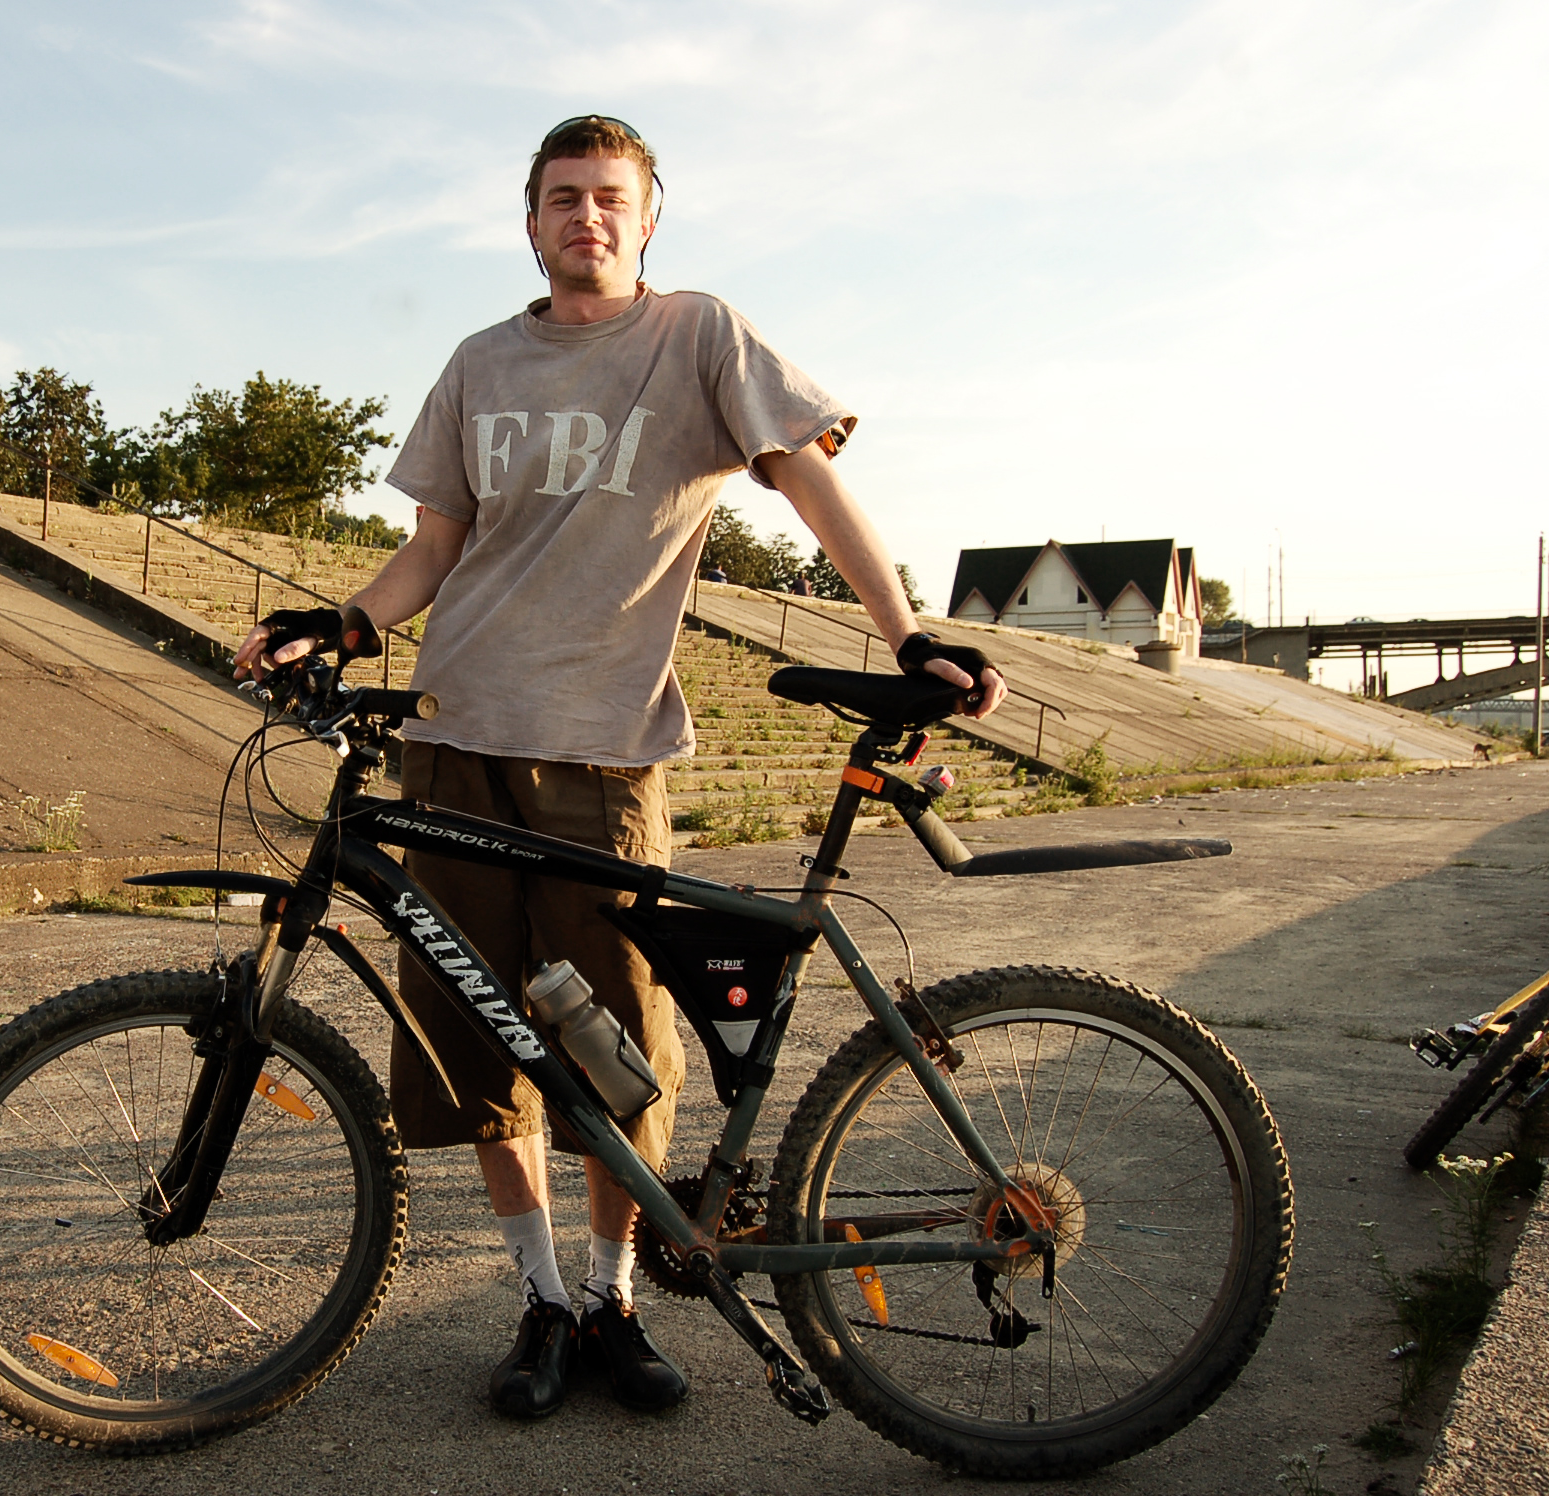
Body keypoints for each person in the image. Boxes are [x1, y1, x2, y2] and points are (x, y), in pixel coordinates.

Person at [234, 115, 1004, 1421]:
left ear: (648, 220)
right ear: (529, 223)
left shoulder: (700, 337)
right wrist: (347, 624)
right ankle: (542, 1299)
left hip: (606, 752)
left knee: (618, 1051)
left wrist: (907, 633)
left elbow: (811, 488)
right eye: (562, 197)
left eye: (608, 197)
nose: (585, 216)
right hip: (454, 740)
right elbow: (434, 549)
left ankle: (614, 1296)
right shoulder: (479, 361)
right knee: (481, 1043)